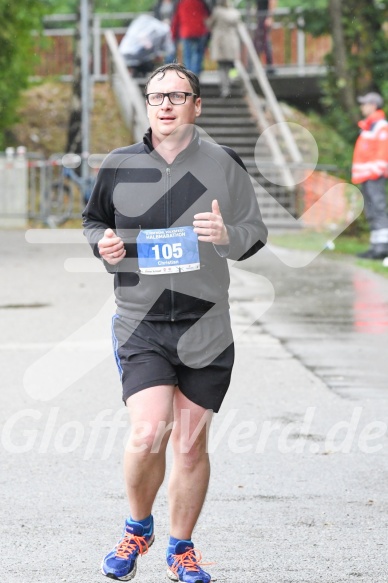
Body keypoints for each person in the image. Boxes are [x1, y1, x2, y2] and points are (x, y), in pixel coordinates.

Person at [82, 63, 267, 582]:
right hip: (140, 323)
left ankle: (181, 549)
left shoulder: (223, 163)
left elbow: (256, 232)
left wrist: (227, 234)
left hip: (206, 325)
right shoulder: (118, 164)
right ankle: (137, 528)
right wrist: (102, 244)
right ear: (147, 104)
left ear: (196, 105)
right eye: (156, 96)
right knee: (148, 431)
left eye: (177, 96)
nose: (165, 104)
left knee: (189, 442)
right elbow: (93, 221)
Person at [352, 91, 388, 259]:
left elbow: (382, 153)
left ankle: (382, 248)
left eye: (364, 104)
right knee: (371, 211)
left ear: (373, 105)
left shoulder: (380, 126)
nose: (362, 107)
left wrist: (374, 172)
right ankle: (376, 247)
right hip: (366, 177)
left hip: (374, 176)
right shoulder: (368, 126)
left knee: (378, 209)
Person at [206, 0, 241, 97]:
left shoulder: (217, 12)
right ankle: (231, 83)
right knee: (230, 65)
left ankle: (225, 88)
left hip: (220, 42)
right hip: (232, 41)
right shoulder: (235, 13)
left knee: (222, 66)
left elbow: (210, 23)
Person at [170, 0, 211, 76]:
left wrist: (173, 34)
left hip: (186, 32)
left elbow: (176, 19)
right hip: (200, 31)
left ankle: (188, 75)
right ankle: (196, 74)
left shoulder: (181, 3)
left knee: (187, 54)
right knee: (198, 53)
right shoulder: (200, 2)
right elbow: (207, 16)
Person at [254, 0, 277, 73]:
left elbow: (273, 2)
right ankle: (263, 65)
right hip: (260, 18)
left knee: (264, 42)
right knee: (259, 42)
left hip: (264, 18)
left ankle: (270, 65)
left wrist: (269, 17)